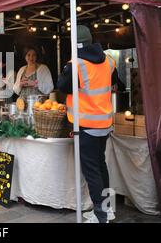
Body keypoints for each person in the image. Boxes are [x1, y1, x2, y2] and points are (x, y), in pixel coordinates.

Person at [58, 25, 118, 223]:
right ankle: (107, 210)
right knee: (101, 166)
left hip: (86, 126)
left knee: (92, 171)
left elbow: (62, 87)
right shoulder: (108, 61)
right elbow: (115, 82)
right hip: (104, 124)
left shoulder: (75, 64)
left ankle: (101, 217)